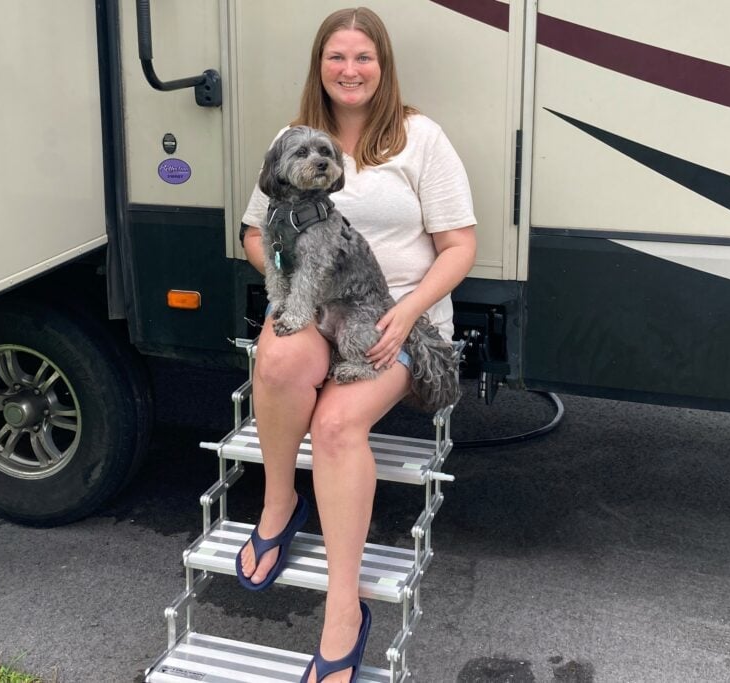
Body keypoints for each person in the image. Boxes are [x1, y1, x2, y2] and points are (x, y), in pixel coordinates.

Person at [238, 7, 477, 681]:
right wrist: (293, 293)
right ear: (321, 65)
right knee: (279, 356)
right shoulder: (292, 137)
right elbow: (255, 235)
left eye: (363, 58)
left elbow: (461, 245)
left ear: (383, 66)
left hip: (391, 311)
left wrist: (407, 314)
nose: (350, 70)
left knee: (339, 425)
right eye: (337, 57)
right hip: (311, 302)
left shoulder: (420, 138)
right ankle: (279, 500)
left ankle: (344, 605)